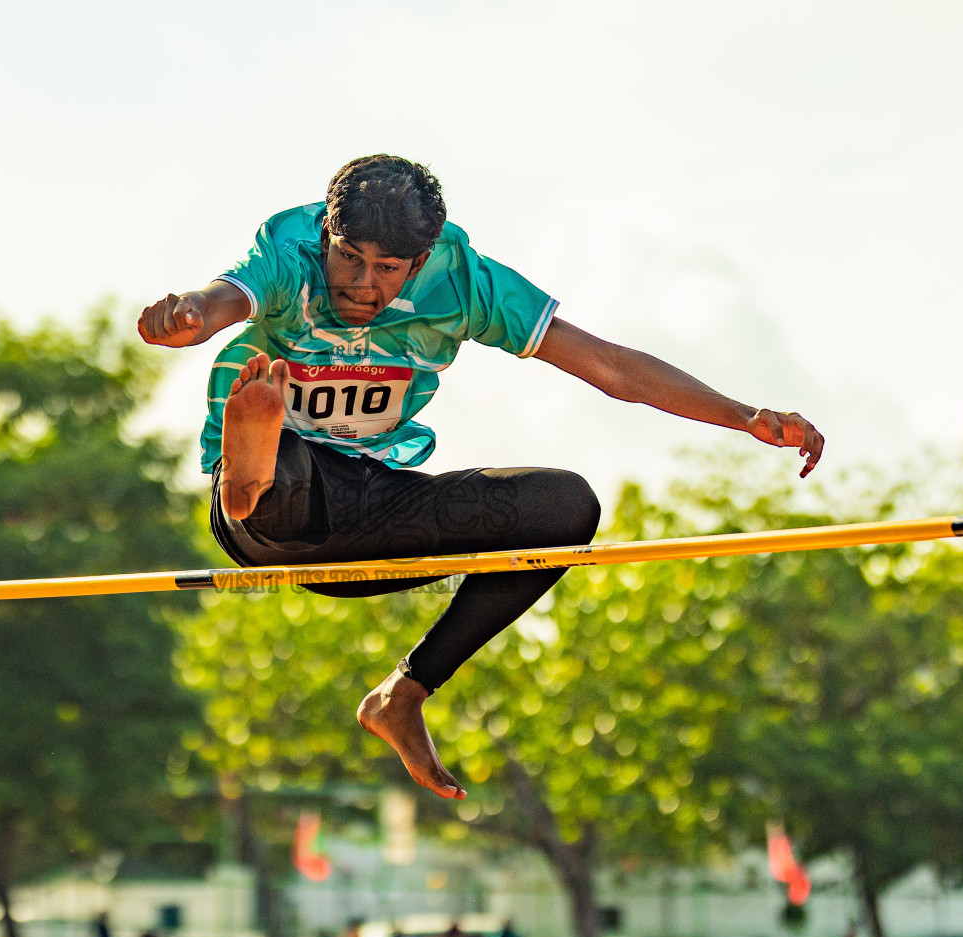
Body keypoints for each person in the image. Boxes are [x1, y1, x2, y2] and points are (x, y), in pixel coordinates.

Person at [139, 155, 824, 799]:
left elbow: (610, 367)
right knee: (289, 470)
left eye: (388, 269)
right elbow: (220, 301)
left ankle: (402, 696)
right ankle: (248, 475)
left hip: (371, 513)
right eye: (348, 258)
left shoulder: (464, 279)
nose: (362, 284)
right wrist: (189, 319)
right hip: (274, 520)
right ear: (327, 233)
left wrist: (744, 415)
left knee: (564, 508)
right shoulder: (288, 250)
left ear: (421, 261)